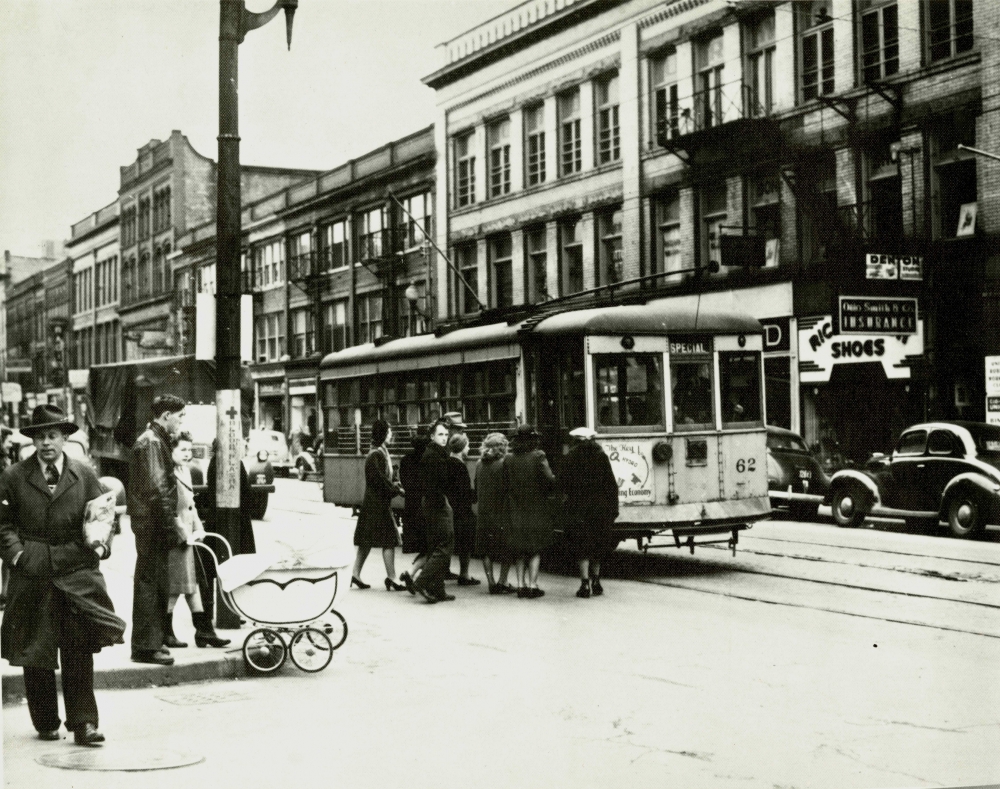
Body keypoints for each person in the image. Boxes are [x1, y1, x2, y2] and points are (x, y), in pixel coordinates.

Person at [0, 404, 126, 746]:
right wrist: (18, 554)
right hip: (33, 571)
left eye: (53, 436)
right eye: (40, 436)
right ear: (32, 441)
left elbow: (104, 516)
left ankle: (84, 723)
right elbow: (3, 525)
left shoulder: (84, 474)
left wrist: (100, 546)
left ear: (65, 438)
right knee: (36, 651)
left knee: (77, 649)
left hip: (75, 571)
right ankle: (44, 721)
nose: (46, 443)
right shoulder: (13, 476)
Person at [128, 394, 186, 666]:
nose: (181, 421)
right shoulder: (152, 442)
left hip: (150, 524)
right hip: (153, 525)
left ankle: (153, 641)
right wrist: (169, 525)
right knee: (150, 584)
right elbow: (158, 488)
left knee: (152, 582)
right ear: (165, 416)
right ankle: (147, 646)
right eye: (179, 416)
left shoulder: (153, 439)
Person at [560, 427, 619, 598]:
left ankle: (584, 584)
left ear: (576, 440)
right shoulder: (601, 456)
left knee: (582, 546)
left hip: (578, 508)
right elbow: (611, 484)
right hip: (600, 508)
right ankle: (597, 581)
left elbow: (563, 483)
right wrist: (613, 509)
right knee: (598, 545)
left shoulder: (570, 457)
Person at [351, 418, 406, 591]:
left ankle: (355, 574)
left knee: (366, 541)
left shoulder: (379, 452)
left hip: (373, 503)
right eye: (389, 431)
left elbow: (383, 477)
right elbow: (380, 480)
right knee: (389, 540)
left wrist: (394, 484)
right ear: (383, 434)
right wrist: (396, 490)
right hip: (378, 504)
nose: (391, 434)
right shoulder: (376, 454)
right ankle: (392, 578)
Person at [504, 424, 556, 598]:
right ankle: (533, 586)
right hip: (535, 508)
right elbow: (549, 479)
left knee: (519, 549)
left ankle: (520, 586)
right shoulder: (538, 456)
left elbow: (505, 484)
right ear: (533, 439)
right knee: (534, 549)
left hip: (515, 509)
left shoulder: (509, 459)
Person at [164, 432, 206, 644]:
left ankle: (203, 630)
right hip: (176, 537)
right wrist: (183, 534)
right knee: (179, 585)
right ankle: (169, 632)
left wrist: (199, 528)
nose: (187, 454)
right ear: (170, 451)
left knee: (190, 583)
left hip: (187, 536)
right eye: (182, 450)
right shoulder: (168, 474)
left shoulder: (185, 471)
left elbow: (191, 505)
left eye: (190, 450)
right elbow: (169, 510)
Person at [411, 419, 455, 603]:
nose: (444, 438)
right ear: (432, 436)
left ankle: (438, 589)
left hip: (432, 503)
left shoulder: (434, 453)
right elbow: (434, 484)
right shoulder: (434, 456)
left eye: (446, 434)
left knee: (435, 546)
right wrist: (442, 503)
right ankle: (421, 582)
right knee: (444, 546)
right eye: (440, 435)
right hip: (436, 504)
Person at [474, 432, 514, 595]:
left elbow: (477, 487)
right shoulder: (504, 463)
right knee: (507, 548)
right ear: (503, 447)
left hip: (484, 512)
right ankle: (502, 581)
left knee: (485, 549)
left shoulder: (478, 464)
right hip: (501, 511)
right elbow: (509, 488)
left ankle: (491, 583)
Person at [445, 433, 480, 586]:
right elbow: (464, 492)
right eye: (467, 445)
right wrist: (475, 494)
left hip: (450, 508)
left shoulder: (446, 462)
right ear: (461, 448)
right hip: (461, 510)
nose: (469, 448)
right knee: (465, 543)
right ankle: (464, 574)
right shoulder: (459, 466)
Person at [399, 426, 429, 591]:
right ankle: (413, 574)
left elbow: (405, 481)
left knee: (425, 545)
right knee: (431, 545)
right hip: (424, 507)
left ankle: (414, 574)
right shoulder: (427, 460)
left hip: (410, 507)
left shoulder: (405, 460)